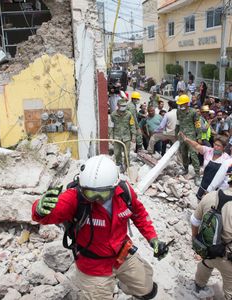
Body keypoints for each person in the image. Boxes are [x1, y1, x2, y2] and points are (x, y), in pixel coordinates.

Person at [32, 155, 169, 300]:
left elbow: (139, 214)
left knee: (147, 289)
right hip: (93, 266)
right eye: (90, 193)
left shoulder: (124, 192)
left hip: (122, 254)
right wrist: (39, 209)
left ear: (114, 185)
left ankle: (123, 284)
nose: (96, 198)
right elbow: (49, 214)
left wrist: (153, 239)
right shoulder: (75, 198)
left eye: (102, 193)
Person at [190, 168, 232, 300]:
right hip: (228, 258)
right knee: (230, 289)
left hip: (208, 249)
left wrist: (196, 239)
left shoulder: (210, 196)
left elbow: (194, 221)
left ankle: (199, 285)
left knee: (205, 265)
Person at [179, 133, 230, 200]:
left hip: (216, 188)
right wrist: (187, 139)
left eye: (218, 146)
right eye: (215, 144)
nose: (215, 147)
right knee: (199, 200)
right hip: (204, 182)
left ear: (224, 147)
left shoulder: (226, 159)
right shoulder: (208, 151)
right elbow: (197, 146)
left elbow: (226, 177)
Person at [176, 94, 202, 186]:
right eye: (180, 104)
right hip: (182, 137)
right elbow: (178, 123)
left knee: (194, 155)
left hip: (191, 137)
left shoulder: (193, 112)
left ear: (187, 103)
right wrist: (176, 135)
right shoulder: (178, 111)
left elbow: (198, 125)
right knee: (184, 154)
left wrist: (199, 137)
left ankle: (197, 175)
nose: (180, 106)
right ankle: (185, 169)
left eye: (182, 104)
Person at [110, 98, 136, 172]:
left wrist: (133, 135)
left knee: (127, 153)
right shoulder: (113, 115)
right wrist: (111, 137)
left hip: (126, 137)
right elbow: (111, 126)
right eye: (122, 105)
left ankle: (127, 166)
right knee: (117, 153)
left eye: (125, 105)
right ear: (118, 105)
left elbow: (132, 125)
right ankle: (119, 166)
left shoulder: (129, 114)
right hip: (117, 137)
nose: (124, 107)